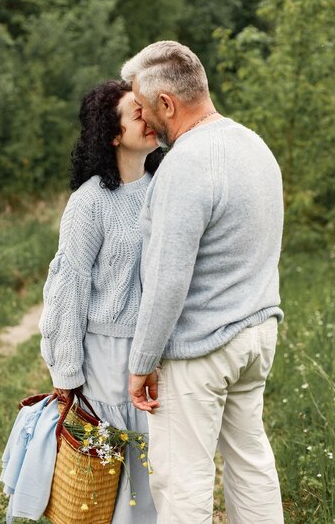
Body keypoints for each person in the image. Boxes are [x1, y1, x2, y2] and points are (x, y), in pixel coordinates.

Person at [121, 41, 285, 524]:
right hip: (256, 335)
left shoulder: (186, 164)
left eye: (146, 109)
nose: (145, 123)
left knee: (182, 480)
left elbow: (168, 279)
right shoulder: (254, 145)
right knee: (250, 463)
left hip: (201, 351)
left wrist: (142, 361)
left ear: (167, 103)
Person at [39, 80, 162, 523]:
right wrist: (66, 372)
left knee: (159, 476)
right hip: (107, 361)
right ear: (113, 135)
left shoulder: (165, 187)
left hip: (163, 352)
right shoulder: (90, 202)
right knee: (118, 485)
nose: (149, 118)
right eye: (136, 113)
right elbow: (67, 288)